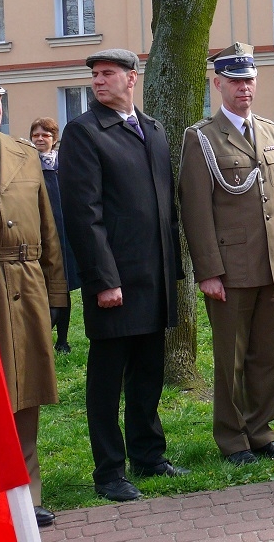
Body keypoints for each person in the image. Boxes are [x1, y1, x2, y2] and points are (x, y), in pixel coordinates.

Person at [59, 49, 188, 502]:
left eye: (108, 73)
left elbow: (164, 207)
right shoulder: (84, 132)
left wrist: (172, 268)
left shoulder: (152, 130)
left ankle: (148, 456)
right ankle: (109, 471)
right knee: (106, 380)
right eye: (94, 74)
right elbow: (83, 215)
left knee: (148, 373)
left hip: (153, 279)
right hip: (114, 283)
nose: (98, 81)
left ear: (132, 78)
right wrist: (103, 279)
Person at [0, 55, 66, 528]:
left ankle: (26, 493)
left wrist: (56, 290)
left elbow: (47, 229)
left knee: (26, 392)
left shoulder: (23, 154)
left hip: (26, 287)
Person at [179, 43, 274, 465]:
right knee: (231, 359)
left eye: (249, 80)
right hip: (230, 268)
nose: (244, 87)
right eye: (235, 80)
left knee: (268, 355)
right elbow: (196, 209)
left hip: (271, 261)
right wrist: (208, 271)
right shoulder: (202, 139)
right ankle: (232, 438)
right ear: (218, 84)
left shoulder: (268, 130)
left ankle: (261, 431)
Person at [30, 116, 81, 354]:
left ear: (54, 138)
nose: (40, 139)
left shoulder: (65, 164)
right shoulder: (27, 164)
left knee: (64, 286)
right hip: (40, 234)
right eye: (36, 135)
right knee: (41, 288)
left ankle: (62, 340)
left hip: (65, 234)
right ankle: (40, 337)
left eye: (45, 135)